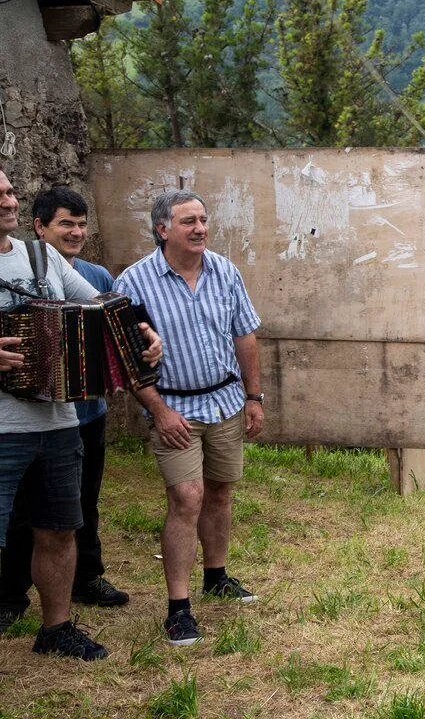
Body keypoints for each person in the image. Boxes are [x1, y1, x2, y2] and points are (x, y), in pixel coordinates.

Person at [0, 167, 161, 659]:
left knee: (59, 528)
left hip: (58, 423)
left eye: (10, 191)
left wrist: (141, 330)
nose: (8, 200)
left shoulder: (40, 255)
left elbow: (99, 305)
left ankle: (55, 629)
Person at [114, 189, 264, 647]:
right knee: (186, 498)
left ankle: (216, 576)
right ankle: (178, 609)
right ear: (162, 229)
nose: (200, 229)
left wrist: (253, 397)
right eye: (188, 222)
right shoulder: (134, 282)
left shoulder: (224, 271)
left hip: (225, 402)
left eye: (203, 219)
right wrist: (158, 411)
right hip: (175, 409)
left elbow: (245, 336)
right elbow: (126, 360)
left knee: (219, 491)